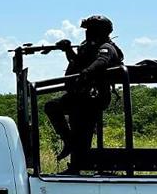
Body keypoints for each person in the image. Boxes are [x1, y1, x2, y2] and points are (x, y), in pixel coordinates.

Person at [44, 15, 124, 173]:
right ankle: (69, 143)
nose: (87, 33)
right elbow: (76, 63)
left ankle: (75, 166)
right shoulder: (88, 47)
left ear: (99, 31)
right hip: (80, 96)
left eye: (90, 30)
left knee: (82, 130)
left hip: (94, 98)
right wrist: (68, 50)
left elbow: (101, 61)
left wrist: (85, 73)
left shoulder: (106, 47)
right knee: (53, 107)